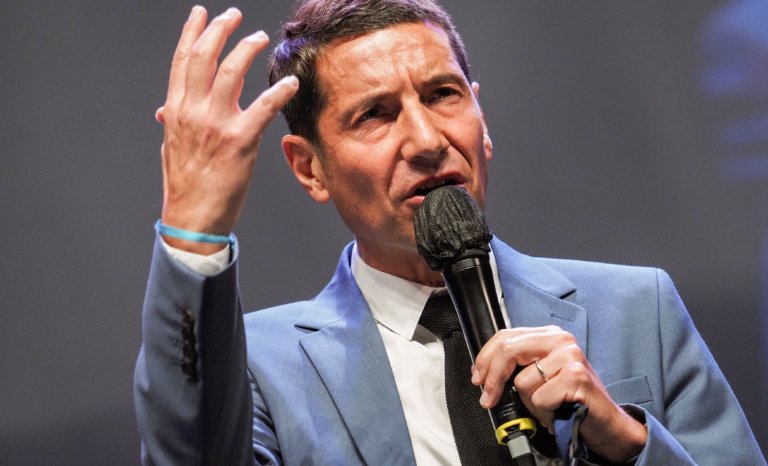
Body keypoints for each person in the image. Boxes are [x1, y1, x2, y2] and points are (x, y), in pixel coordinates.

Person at [134, 1, 765, 464]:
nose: (428, 140)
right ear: (309, 168)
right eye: (374, 114)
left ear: (482, 122)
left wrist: (628, 444)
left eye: (442, 95)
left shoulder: (638, 309)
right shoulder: (257, 365)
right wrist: (194, 227)